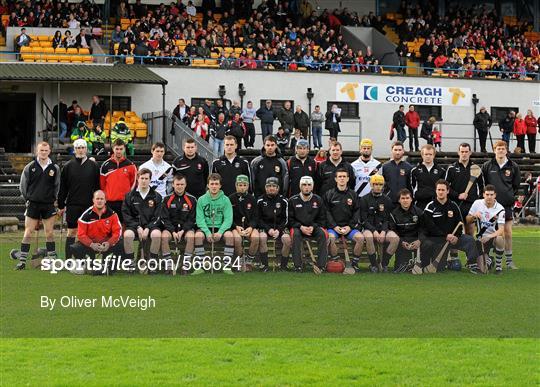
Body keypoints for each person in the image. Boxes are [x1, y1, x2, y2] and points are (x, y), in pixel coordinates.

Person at [10, 142, 60, 270]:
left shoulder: (55, 168)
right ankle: (22, 262)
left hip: (48, 204)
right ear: (37, 151)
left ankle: (52, 260)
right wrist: (29, 199)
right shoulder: (30, 167)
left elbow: (57, 186)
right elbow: (23, 186)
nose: (43, 152)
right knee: (28, 233)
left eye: (46, 150)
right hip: (33, 204)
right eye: (41, 150)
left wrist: (53, 199)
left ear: (49, 151)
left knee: (49, 233)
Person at [422, 180, 479, 273]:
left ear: (447, 191)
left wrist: (456, 236)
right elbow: (429, 227)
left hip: (453, 238)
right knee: (439, 268)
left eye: (443, 190)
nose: (440, 192)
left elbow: (460, 224)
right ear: (436, 191)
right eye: (439, 189)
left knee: (469, 240)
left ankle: (472, 264)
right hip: (438, 239)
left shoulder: (453, 205)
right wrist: (445, 235)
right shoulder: (430, 207)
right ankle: (447, 262)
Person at [57, 139, 100, 260]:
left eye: (82, 147)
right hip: (72, 205)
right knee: (71, 232)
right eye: (78, 148)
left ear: (86, 149)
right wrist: (61, 205)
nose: (80, 150)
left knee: (89, 233)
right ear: (74, 150)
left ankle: (90, 259)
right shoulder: (68, 166)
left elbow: (97, 188)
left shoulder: (94, 166)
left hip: (89, 206)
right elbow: (63, 188)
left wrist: (98, 205)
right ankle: (69, 259)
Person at [481, 140, 521, 269]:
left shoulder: (513, 166)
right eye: (498, 148)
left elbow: (516, 185)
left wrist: (507, 195)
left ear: (506, 150)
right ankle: (487, 257)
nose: (501, 151)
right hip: (490, 207)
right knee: (488, 232)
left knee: (507, 232)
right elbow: (483, 184)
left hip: (506, 205)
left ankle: (509, 261)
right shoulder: (487, 165)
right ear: (494, 150)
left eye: (503, 148)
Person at [69, 190, 122, 273]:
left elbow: (117, 232)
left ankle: (110, 267)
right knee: (75, 248)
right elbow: (81, 235)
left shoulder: (112, 214)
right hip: (91, 246)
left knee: (121, 244)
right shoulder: (85, 215)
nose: (99, 201)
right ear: (93, 200)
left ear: (105, 200)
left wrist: (109, 243)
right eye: (97, 199)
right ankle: (85, 264)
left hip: (106, 245)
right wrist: (91, 244)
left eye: (101, 199)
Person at [122, 168, 163, 273]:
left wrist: (148, 228)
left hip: (151, 226)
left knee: (157, 234)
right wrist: (137, 227)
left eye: (146, 178)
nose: (144, 181)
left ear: (150, 180)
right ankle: (130, 263)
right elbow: (126, 215)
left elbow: (158, 216)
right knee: (127, 235)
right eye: (142, 178)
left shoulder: (156, 196)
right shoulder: (130, 196)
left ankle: (152, 263)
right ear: (137, 179)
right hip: (135, 226)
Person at [193, 173, 235, 274]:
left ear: (220, 186)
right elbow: (200, 219)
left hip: (220, 228)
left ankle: (226, 266)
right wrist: (207, 233)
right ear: (208, 185)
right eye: (212, 184)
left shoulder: (226, 200)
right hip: (206, 228)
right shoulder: (201, 199)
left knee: (230, 236)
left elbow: (228, 219)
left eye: (216, 184)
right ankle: (200, 266)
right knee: (198, 235)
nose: (214, 186)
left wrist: (220, 232)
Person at [324, 168, 364, 268]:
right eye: (340, 177)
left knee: (360, 238)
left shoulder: (353, 194)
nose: (342, 179)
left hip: (349, 228)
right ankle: (336, 262)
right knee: (330, 238)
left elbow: (357, 212)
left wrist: (349, 227)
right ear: (336, 179)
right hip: (334, 228)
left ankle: (354, 263)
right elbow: (326, 212)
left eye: (344, 177)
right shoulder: (329, 194)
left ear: (347, 179)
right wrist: (334, 226)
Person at [158, 173, 197, 274]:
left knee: (191, 237)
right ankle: (169, 266)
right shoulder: (166, 199)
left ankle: (185, 266)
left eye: (182, 184)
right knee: (164, 236)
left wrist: (183, 230)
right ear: (173, 185)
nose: (179, 187)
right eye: (177, 184)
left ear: (185, 185)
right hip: (171, 229)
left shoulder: (192, 199)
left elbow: (192, 219)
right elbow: (164, 218)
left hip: (185, 229)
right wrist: (173, 231)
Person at [359, 175, 398, 272]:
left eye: (380, 184)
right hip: (369, 228)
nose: (378, 186)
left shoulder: (387, 200)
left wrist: (384, 231)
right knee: (368, 237)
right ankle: (374, 265)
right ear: (371, 185)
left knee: (395, 239)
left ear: (383, 186)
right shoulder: (364, 199)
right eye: (375, 184)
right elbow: (364, 220)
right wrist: (374, 231)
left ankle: (384, 264)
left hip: (383, 229)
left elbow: (387, 219)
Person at [288, 176, 327, 272]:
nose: (306, 187)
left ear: (312, 187)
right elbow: (290, 220)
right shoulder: (293, 200)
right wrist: (300, 227)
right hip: (298, 227)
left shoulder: (318, 200)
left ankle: (321, 266)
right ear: (300, 186)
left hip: (313, 227)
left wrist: (313, 227)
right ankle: (298, 266)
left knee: (322, 234)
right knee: (296, 235)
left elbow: (322, 219)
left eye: (309, 185)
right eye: (304, 185)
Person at [467, 185, 506, 274]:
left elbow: (501, 230)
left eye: (491, 195)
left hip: (493, 237)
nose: (489, 197)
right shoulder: (477, 203)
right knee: (483, 271)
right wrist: (473, 216)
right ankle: (489, 260)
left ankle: (499, 267)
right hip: (480, 239)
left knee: (500, 238)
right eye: (487, 194)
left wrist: (489, 236)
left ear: (495, 195)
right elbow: (467, 220)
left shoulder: (500, 209)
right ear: (483, 195)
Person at [257, 177, 292, 271]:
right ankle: (265, 265)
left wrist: (278, 230)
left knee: (287, 240)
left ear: (278, 188)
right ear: (265, 188)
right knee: (262, 237)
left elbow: (287, 219)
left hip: (280, 227)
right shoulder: (260, 200)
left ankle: (283, 266)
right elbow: (258, 219)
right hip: (266, 227)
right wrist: (269, 229)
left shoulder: (284, 200)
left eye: (273, 186)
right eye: (269, 186)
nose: (271, 188)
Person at [99, 139, 137, 222]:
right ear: (113, 149)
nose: (119, 151)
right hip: (110, 202)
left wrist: (127, 198)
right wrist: (106, 198)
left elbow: (133, 184)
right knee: (109, 226)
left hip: (125, 202)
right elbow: (102, 185)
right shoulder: (105, 165)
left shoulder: (131, 165)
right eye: (117, 149)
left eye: (121, 149)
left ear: (124, 149)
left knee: (124, 226)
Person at [388, 189, 424, 273]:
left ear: (411, 199)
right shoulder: (393, 214)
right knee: (399, 269)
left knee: (428, 243)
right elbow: (393, 231)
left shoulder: (419, 212)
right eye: (403, 198)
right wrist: (401, 242)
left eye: (407, 198)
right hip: (402, 241)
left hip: (416, 240)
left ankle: (422, 263)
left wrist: (419, 240)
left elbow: (424, 229)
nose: (405, 200)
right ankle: (385, 264)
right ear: (399, 200)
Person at [229, 175, 259, 270]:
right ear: (236, 185)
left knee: (256, 237)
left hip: (249, 227)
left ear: (248, 186)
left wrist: (251, 227)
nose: (242, 187)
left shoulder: (252, 199)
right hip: (236, 227)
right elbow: (229, 217)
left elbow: (255, 216)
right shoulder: (230, 198)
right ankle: (241, 260)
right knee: (237, 240)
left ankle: (249, 261)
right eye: (240, 185)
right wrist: (236, 226)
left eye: (244, 185)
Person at [410, 144, 446, 209]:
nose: (428, 156)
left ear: (434, 155)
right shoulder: (414, 171)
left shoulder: (441, 171)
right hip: (420, 204)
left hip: (436, 204)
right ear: (422, 155)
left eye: (430, 154)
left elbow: (443, 189)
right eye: (426, 154)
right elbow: (412, 188)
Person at [380, 141, 412, 205]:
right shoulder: (385, 166)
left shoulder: (409, 167)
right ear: (392, 150)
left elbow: (410, 186)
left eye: (400, 150)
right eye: (395, 150)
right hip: (388, 200)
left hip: (403, 201)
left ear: (403, 151)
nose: (397, 152)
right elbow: (382, 184)